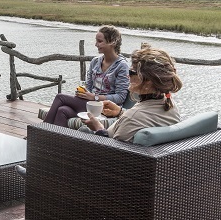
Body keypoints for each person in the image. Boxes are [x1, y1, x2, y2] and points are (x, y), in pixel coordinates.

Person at [16, 45, 182, 178]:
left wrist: (97, 128)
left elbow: (110, 151)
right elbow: (140, 122)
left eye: (132, 72)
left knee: (78, 131)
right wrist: (119, 112)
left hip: (104, 171)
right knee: (65, 112)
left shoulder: (134, 117)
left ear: (148, 83)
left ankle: (41, 174)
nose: (128, 74)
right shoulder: (170, 108)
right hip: (139, 167)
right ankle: (40, 169)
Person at [43, 25, 129, 127]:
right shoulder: (95, 62)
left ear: (112, 42)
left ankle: (40, 130)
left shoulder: (121, 66)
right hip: (90, 104)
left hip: (105, 108)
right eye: (96, 41)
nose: (96, 44)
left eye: (100, 41)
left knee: (60, 97)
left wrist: (95, 97)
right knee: (63, 110)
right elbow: (89, 87)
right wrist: (83, 93)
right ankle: (57, 141)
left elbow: (120, 97)